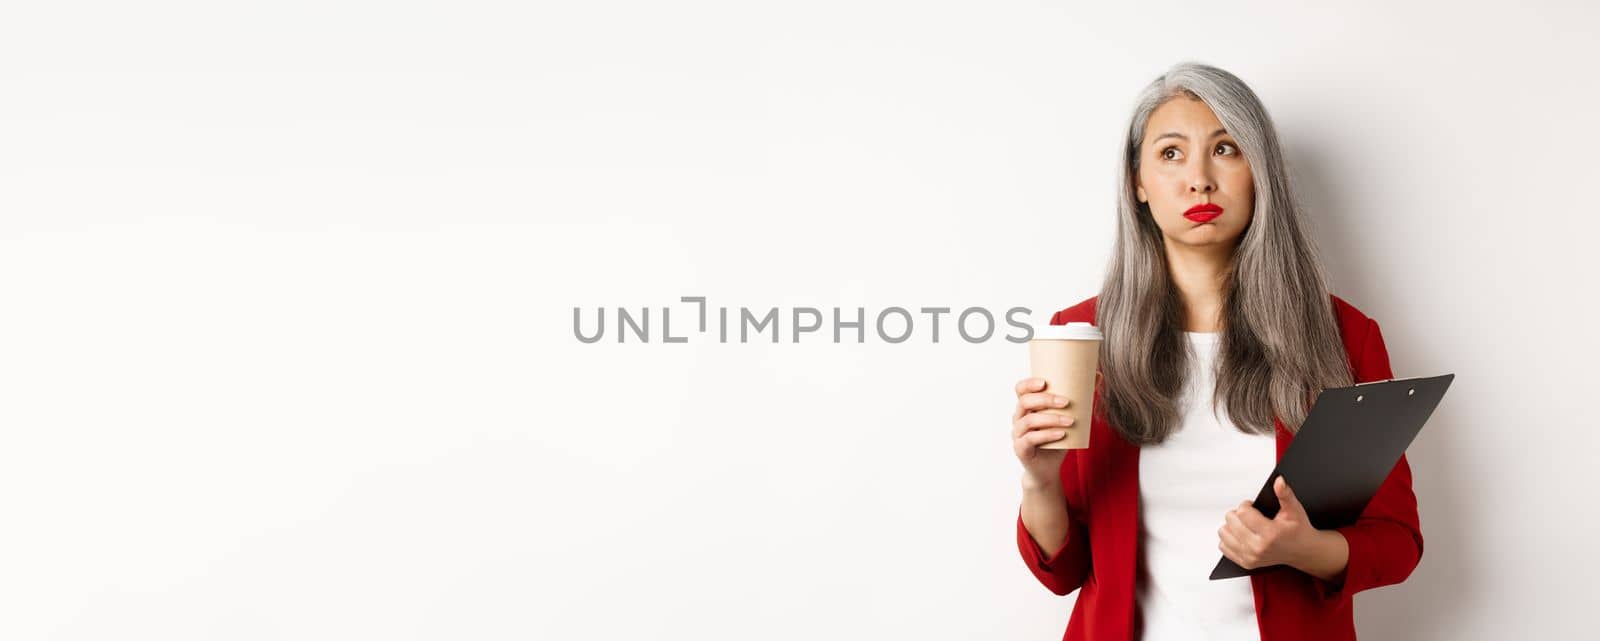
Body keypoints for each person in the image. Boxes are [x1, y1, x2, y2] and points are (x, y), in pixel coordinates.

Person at [1010, 62, 1423, 641]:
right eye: (1171, 154)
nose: (1199, 179)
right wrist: (1039, 480)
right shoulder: (1082, 335)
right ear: (1138, 182)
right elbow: (1064, 571)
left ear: (1260, 172)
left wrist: (1307, 549)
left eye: (1226, 149)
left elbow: (1397, 541)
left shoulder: (1343, 335)